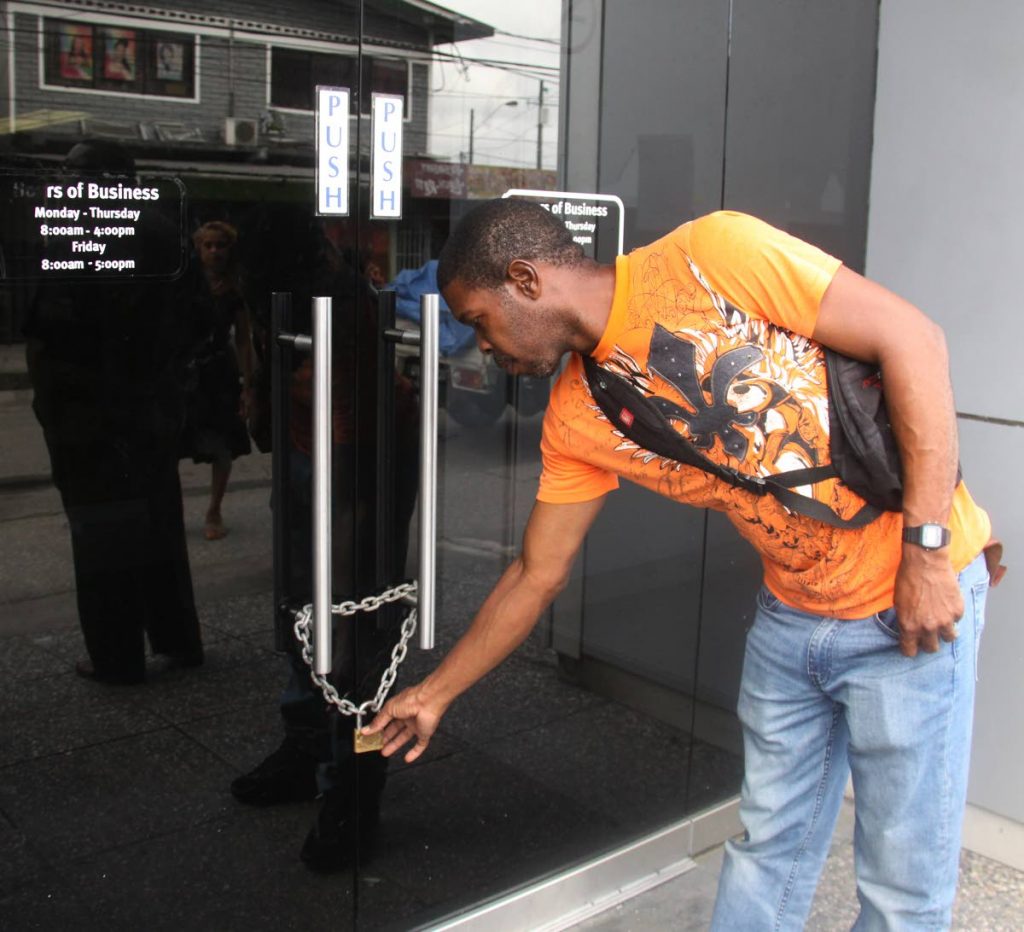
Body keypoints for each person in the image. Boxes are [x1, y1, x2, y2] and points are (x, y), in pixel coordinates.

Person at [363, 200, 1004, 929]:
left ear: (525, 279)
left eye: (481, 320)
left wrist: (925, 554)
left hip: (907, 603)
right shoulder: (577, 417)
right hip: (790, 620)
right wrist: (436, 694)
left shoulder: (712, 254)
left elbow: (912, 338)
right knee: (768, 849)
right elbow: (534, 574)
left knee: (901, 884)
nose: (483, 348)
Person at [25, 141, 203, 683]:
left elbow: (52, 330)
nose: (65, 183)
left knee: (101, 539)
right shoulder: (163, 233)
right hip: (150, 413)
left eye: (72, 173)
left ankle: (116, 655)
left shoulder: (80, 235)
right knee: (159, 532)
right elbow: (197, 320)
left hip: (91, 419)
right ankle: (177, 639)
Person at [180, 221, 254, 541]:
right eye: (208, 245)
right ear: (198, 249)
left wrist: (248, 384)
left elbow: (243, 339)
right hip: (186, 370)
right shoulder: (184, 284)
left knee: (223, 445)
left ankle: (214, 508)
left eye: (220, 245)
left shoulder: (234, 290)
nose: (214, 251)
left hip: (219, 372)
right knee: (174, 441)